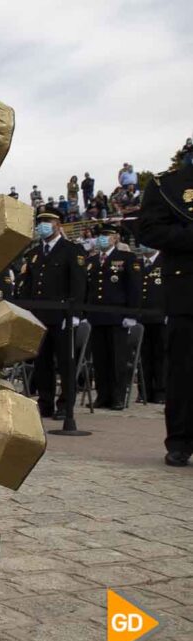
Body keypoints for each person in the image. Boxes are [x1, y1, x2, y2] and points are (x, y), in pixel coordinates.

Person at [134, 161, 193, 466]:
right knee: (184, 368)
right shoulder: (167, 184)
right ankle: (181, 440)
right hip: (187, 288)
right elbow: (148, 229)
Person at [18, 212, 87, 419]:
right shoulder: (35, 253)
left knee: (65, 363)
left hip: (62, 317)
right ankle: (45, 402)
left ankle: (66, 405)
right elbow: (27, 287)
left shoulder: (71, 250)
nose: (42, 226)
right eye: (39, 223)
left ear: (57, 224)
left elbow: (78, 283)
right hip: (40, 316)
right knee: (42, 363)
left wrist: (75, 314)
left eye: (46, 222)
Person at [85, 223, 141, 411]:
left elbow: (134, 287)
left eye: (107, 235)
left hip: (118, 317)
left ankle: (117, 397)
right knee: (100, 360)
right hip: (97, 317)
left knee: (118, 360)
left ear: (116, 238)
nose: (102, 238)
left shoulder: (126, 258)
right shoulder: (92, 261)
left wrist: (132, 314)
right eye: (100, 235)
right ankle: (103, 395)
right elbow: (88, 289)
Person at [137, 246, 166, 404]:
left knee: (160, 356)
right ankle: (144, 391)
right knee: (144, 357)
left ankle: (161, 391)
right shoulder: (137, 264)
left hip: (161, 318)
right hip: (142, 318)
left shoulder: (165, 261)